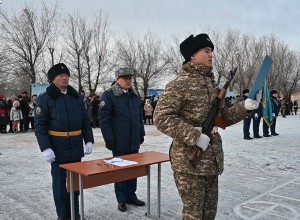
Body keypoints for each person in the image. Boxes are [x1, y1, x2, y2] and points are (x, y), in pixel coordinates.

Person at [153, 33, 260, 219]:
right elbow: (161, 118)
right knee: (194, 215)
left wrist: (245, 108)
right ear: (192, 55)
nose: (211, 55)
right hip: (189, 163)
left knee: (209, 214)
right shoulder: (179, 85)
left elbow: (222, 119)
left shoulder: (212, 86)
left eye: (211, 51)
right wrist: (194, 136)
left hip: (211, 161)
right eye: (206, 51)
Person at [34, 63, 94, 220]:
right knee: (60, 186)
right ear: (53, 79)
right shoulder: (45, 99)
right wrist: (45, 148)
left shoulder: (76, 97)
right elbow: (40, 126)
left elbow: (85, 121)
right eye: (61, 75)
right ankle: (63, 215)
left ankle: (75, 213)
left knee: (75, 185)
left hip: (75, 146)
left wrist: (89, 140)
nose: (65, 77)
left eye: (66, 75)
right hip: (57, 148)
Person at [98, 67, 145, 212]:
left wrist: (141, 133)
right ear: (118, 79)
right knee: (120, 170)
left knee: (133, 169)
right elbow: (103, 119)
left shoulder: (135, 95)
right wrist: (109, 139)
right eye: (125, 78)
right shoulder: (109, 95)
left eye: (130, 78)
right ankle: (121, 199)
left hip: (133, 140)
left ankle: (131, 195)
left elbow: (139, 117)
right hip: (119, 141)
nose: (128, 81)